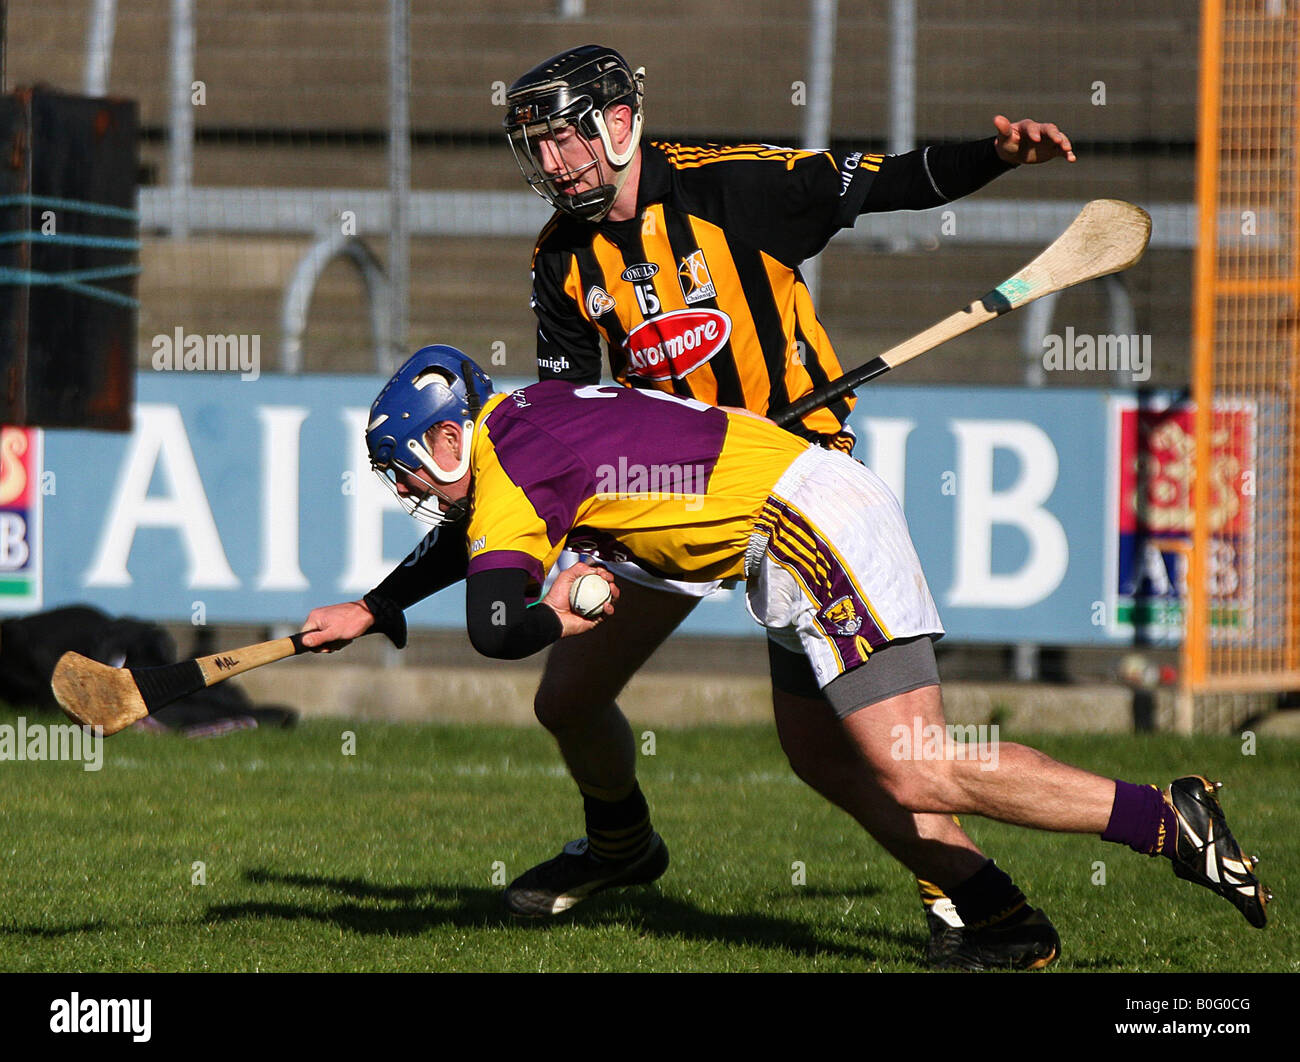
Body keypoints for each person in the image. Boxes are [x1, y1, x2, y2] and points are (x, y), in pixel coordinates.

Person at [301, 347, 1270, 970]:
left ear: (440, 438)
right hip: (785, 531)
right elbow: (479, 542)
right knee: (817, 751)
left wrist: (561, 612)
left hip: (802, 525)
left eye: (406, 473)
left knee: (914, 760)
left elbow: (495, 624)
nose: (410, 494)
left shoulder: (507, 466)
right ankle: (997, 918)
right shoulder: (526, 416)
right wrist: (379, 605)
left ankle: (1164, 818)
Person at [494, 44, 1078, 966]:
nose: (554, 163)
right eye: (539, 147)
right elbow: (572, 411)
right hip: (672, 495)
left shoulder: (735, 189)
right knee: (567, 698)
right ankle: (621, 846)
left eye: (566, 138)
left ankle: (972, 900)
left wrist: (996, 156)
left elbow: (893, 182)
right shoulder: (562, 258)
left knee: (846, 745)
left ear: (616, 123)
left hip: (789, 497)